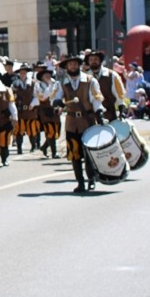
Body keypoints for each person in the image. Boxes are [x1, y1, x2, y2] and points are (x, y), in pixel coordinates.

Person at [59, 54, 104, 194]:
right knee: (74, 154)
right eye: (69, 65)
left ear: (79, 65)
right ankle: (80, 183)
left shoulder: (90, 81)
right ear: (66, 67)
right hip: (71, 123)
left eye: (74, 64)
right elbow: (56, 97)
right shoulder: (62, 83)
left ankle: (91, 179)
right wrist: (56, 102)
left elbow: (96, 100)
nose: (72, 67)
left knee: (88, 154)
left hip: (87, 121)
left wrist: (99, 114)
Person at [83, 49, 129, 122]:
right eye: (91, 59)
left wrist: (122, 111)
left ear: (100, 61)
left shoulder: (112, 75)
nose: (93, 61)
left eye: (95, 59)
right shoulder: (85, 77)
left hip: (109, 116)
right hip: (90, 118)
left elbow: (120, 95)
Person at [33, 64, 61, 159]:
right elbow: (43, 97)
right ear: (42, 77)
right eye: (46, 75)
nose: (48, 77)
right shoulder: (38, 85)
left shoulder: (56, 83)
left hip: (55, 110)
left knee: (57, 132)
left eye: (49, 75)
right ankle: (54, 152)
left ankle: (44, 147)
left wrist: (61, 106)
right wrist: (50, 87)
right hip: (45, 111)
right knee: (50, 132)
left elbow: (60, 95)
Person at [12, 63, 40, 153]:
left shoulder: (33, 83)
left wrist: (33, 104)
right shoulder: (15, 84)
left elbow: (37, 96)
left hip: (30, 110)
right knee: (19, 130)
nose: (22, 74)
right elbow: (12, 96)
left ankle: (33, 146)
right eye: (21, 72)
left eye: (24, 72)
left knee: (31, 130)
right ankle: (19, 148)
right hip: (20, 110)